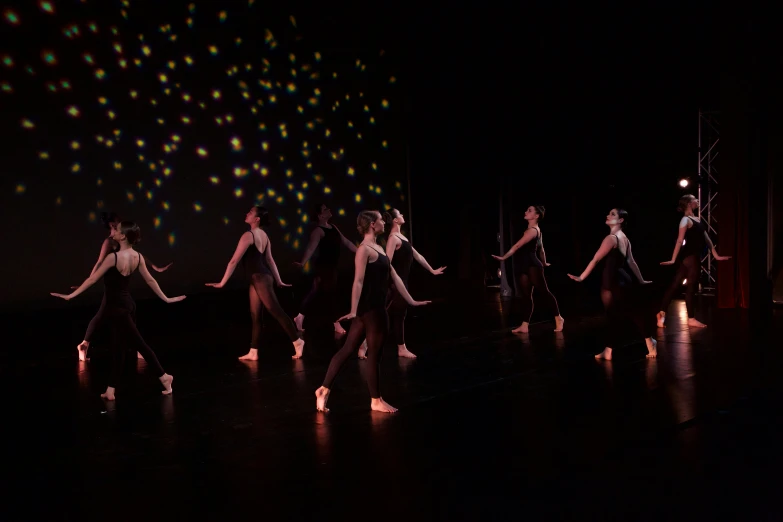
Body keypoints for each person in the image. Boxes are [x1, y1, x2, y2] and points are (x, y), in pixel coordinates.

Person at [315, 210, 431, 413]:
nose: (383, 223)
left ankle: (323, 389)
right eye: (380, 220)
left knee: (349, 349)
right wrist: (353, 310)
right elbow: (358, 282)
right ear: (371, 225)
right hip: (372, 310)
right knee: (374, 355)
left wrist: (411, 301)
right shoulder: (364, 250)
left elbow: (394, 275)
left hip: (370, 309)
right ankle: (375, 400)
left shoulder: (378, 247)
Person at [51, 221, 181, 400]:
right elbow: (151, 281)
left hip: (118, 309)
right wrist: (165, 298)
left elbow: (92, 280)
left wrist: (70, 296)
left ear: (123, 236)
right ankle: (111, 390)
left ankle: (164, 377)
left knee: (140, 345)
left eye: (116, 230)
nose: (112, 233)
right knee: (119, 348)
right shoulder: (138, 256)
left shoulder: (114, 257)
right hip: (127, 305)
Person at [207, 206, 305, 360]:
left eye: (251, 212)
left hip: (260, 278)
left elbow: (233, 261)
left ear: (257, 219)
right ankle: (253, 351)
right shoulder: (263, 235)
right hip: (258, 279)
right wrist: (278, 280)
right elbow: (270, 260)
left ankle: (298, 341)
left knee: (276, 311)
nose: (247, 213)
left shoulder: (248, 235)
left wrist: (222, 283)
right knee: (255, 315)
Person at [76, 212, 172, 362]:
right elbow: (100, 262)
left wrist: (154, 266)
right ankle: (85, 345)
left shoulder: (123, 239)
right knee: (113, 312)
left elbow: (136, 254)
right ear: (112, 225)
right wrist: (87, 281)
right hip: (113, 282)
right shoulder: (109, 242)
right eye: (118, 222)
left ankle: (84, 345)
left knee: (124, 310)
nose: (121, 224)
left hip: (121, 281)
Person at [567, 208, 657, 361]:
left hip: (613, 281)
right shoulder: (624, 238)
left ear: (621, 220)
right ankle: (610, 350)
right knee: (617, 315)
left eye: (613, 214)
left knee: (624, 313)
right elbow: (631, 262)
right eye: (609, 213)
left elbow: (595, 259)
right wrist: (640, 280)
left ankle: (650, 342)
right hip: (619, 279)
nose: (608, 216)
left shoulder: (611, 238)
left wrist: (581, 277)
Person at [357, 208, 445, 359]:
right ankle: (365, 345)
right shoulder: (393, 238)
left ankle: (398, 347)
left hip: (402, 282)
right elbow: (387, 262)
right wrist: (384, 283)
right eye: (400, 214)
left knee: (398, 315)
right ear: (396, 220)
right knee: (387, 315)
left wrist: (432, 270)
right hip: (395, 284)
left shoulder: (402, 237)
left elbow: (417, 256)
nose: (403, 215)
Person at [657, 194, 731, 328]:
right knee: (691, 287)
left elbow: (707, 239)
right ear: (689, 203)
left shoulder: (696, 219)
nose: (697, 200)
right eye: (695, 199)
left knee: (675, 285)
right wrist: (673, 259)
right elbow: (680, 240)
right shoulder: (685, 220)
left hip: (690, 257)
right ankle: (690, 318)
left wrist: (717, 255)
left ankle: (661, 313)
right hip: (690, 257)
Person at [492, 205, 564, 333]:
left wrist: (504, 257)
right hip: (525, 264)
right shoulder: (536, 229)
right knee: (526, 296)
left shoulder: (532, 231)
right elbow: (541, 249)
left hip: (532, 265)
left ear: (536, 216)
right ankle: (524, 325)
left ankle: (558, 318)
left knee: (544, 292)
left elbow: (518, 245)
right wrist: (544, 261)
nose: (526, 211)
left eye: (529, 210)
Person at [293, 203, 357, 334]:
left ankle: (300, 316)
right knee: (331, 294)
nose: (329, 210)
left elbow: (346, 242)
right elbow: (311, 248)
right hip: (324, 267)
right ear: (320, 215)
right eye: (325, 209)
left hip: (332, 267)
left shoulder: (333, 227)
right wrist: (303, 262)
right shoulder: (318, 231)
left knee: (316, 292)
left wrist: (362, 251)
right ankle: (336, 323)